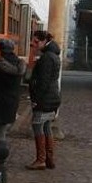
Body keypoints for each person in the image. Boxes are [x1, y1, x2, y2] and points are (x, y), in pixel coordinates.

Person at [26, 30, 61, 171]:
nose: (33, 44)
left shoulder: (46, 58)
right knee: (46, 126)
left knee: (37, 125)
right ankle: (49, 159)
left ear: (43, 41)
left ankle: (41, 160)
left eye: (36, 42)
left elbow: (43, 82)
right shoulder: (54, 55)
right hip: (53, 97)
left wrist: (36, 99)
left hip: (45, 99)